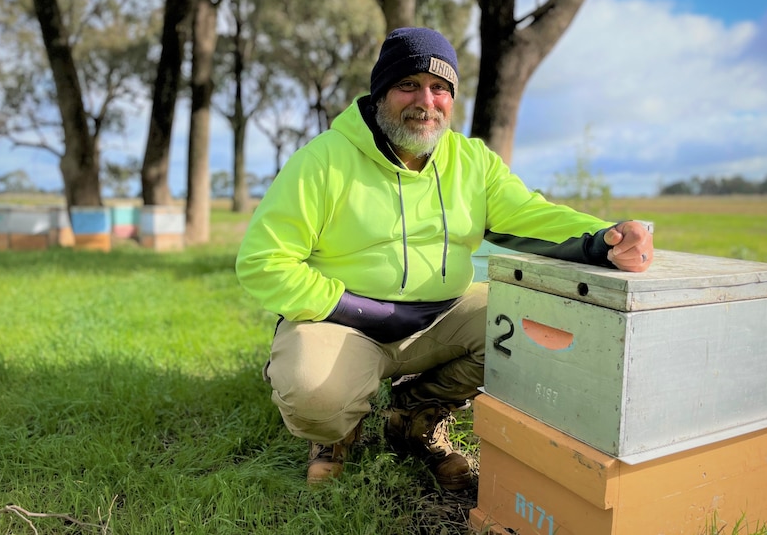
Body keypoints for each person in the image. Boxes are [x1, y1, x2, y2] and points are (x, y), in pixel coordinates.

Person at [235, 27, 653, 491]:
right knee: (314, 391)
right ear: (380, 93)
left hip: (440, 316)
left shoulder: (473, 161)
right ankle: (334, 435)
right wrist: (368, 311)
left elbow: (531, 214)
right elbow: (263, 262)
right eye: (407, 84)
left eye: (440, 88)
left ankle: (414, 414)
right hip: (341, 320)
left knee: (533, 325)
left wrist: (605, 238)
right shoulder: (322, 161)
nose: (425, 101)